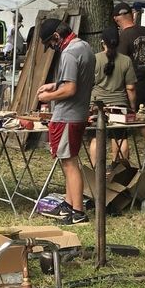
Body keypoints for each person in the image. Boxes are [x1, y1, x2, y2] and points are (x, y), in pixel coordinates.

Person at [36, 18, 93, 225]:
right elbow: (74, 80)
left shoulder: (69, 53)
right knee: (69, 160)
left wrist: (47, 97)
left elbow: (70, 89)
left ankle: (78, 212)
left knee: (69, 163)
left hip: (68, 114)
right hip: (78, 113)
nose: (52, 47)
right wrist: (54, 85)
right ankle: (69, 204)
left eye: (51, 43)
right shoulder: (84, 47)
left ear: (57, 37)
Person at [89, 24, 137, 164]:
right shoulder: (126, 60)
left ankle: (96, 170)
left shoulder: (94, 59)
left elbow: (88, 83)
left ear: (102, 41)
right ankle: (120, 169)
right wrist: (132, 108)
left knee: (96, 138)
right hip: (119, 105)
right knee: (121, 137)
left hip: (97, 106)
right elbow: (131, 88)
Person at [112, 2, 145, 108]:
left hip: (131, 87)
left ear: (116, 19)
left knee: (132, 119)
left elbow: (120, 63)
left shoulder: (124, 36)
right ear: (131, 15)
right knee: (144, 117)